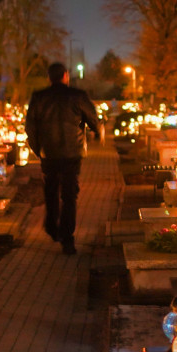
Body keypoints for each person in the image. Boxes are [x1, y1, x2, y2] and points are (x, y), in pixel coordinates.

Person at [25, 62, 101, 254]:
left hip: (48, 154)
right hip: (72, 153)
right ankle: (67, 239)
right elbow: (93, 119)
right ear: (66, 76)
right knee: (69, 196)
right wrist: (97, 134)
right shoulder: (77, 96)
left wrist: (38, 150)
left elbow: (30, 127)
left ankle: (52, 227)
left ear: (49, 77)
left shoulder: (39, 97)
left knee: (50, 191)